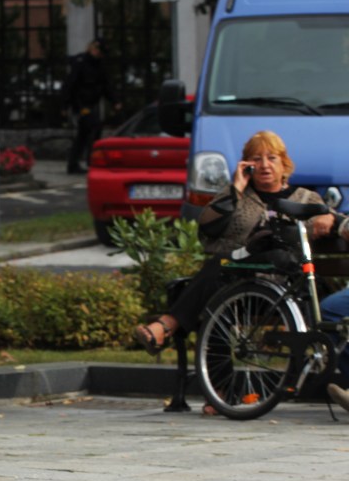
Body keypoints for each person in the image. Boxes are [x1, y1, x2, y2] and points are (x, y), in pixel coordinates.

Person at [133, 131, 340, 360]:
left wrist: (330, 219)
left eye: (272, 158)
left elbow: (335, 219)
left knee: (220, 272)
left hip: (283, 288)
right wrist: (236, 188)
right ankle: (219, 391)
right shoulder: (236, 195)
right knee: (219, 295)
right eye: (256, 159)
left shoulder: (304, 198)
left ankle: (165, 326)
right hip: (237, 284)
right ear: (246, 165)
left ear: (284, 163)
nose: (264, 165)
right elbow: (208, 228)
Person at [62, 38, 121, 174]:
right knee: (95, 126)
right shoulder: (80, 63)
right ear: (93, 49)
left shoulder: (99, 65)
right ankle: (91, 159)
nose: (101, 55)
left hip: (90, 103)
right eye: (99, 52)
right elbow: (69, 85)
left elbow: (106, 85)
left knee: (83, 134)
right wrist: (65, 106)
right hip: (80, 103)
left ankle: (74, 164)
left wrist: (115, 101)